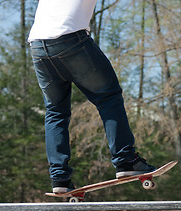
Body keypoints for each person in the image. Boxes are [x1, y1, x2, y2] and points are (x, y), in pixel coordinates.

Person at [28, 0, 155, 193]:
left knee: (55, 111)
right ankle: (126, 160)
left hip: (38, 46)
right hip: (70, 39)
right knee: (109, 97)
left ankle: (59, 178)